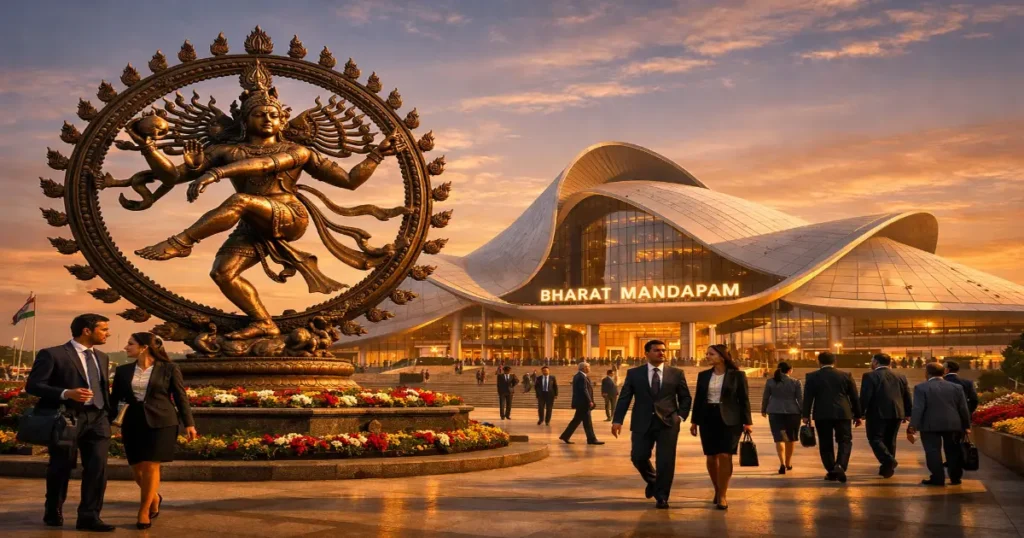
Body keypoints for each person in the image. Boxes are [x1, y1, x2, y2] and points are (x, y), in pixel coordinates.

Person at [25, 314, 115, 532]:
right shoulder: (52, 354)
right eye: (103, 329)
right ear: (87, 331)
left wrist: (107, 414)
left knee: (97, 468)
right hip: (66, 418)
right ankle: (53, 509)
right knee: (61, 466)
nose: (108, 333)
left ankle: (89, 517)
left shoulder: (102, 357)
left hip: (98, 418)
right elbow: (33, 385)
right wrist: (66, 393)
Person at [109, 333, 198, 529]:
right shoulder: (123, 371)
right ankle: (154, 497)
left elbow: (180, 397)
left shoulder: (169, 368)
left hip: (162, 421)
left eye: (130, 344)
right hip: (132, 422)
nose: (126, 347)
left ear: (144, 347)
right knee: (137, 470)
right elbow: (114, 400)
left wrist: (189, 424)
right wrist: (107, 422)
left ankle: (143, 511)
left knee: (151, 466)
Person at [612, 340, 692, 509]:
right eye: (657, 350)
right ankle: (654, 481)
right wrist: (617, 420)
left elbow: (685, 397)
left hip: (668, 423)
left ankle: (662, 496)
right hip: (642, 421)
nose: (661, 353)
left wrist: (680, 417)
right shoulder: (634, 373)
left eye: (663, 350)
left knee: (665, 461)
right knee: (638, 456)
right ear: (646, 353)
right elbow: (625, 397)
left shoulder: (676, 373)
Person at [690, 345, 752, 510]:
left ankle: (723, 495)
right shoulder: (703, 375)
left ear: (722, 357)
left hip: (730, 419)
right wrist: (694, 421)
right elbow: (698, 399)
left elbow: (744, 399)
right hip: (707, 417)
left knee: (725, 455)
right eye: (707, 354)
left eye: (711, 354)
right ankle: (717, 489)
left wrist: (747, 422)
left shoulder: (737, 375)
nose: (707, 356)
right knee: (711, 457)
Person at [802, 351, 862, 483]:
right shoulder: (845, 375)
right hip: (843, 413)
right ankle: (840, 465)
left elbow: (808, 397)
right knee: (845, 441)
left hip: (822, 414)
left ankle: (831, 470)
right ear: (834, 361)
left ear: (819, 362)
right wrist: (858, 415)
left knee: (825, 443)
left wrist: (805, 415)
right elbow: (854, 397)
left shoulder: (812, 376)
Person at [908, 362, 972, 486]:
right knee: (953, 451)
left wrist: (913, 425)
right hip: (953, 424)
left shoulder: (921, 388)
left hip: (929, 425)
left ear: (927, 373)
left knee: (932, 451)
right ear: (944, 372)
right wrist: (966, 426)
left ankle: (937, 478)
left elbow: (918, 408)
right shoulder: (957, 387)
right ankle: (955, 478)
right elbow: (963, 408)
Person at [860, 353, 913, 478]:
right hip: (897, 412)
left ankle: (889, 460)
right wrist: (908, 413)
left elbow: (865, 396)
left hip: (877, 413)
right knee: (890, 440)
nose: (871, 363)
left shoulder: (870, 376)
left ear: (876, 362)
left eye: (872, 361)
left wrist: (860, 412)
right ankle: (887, 469)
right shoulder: (900, 376)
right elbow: (907, 395)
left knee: (875, 438)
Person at [761, 361, 802, 474]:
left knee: (779, 438)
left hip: (775, 412)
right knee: (791, 438)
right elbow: (800, 399)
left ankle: (782, 463)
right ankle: (788, 463)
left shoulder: (770, 382)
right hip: (793, 413)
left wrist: (763, 409)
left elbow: (765, 397)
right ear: (790, 370)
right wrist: (805, 413)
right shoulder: (796, 382)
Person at [559, 362, 604, 445]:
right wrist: (589, 401)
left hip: (581, 403)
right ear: (584, 368)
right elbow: (584, 389)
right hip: (583, 403)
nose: (589, 368)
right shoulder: (581, 377)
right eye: (588, 367)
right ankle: (591, 439)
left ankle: (565, 436)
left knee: (577, 420)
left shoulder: (579, 376)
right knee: (587, 422)